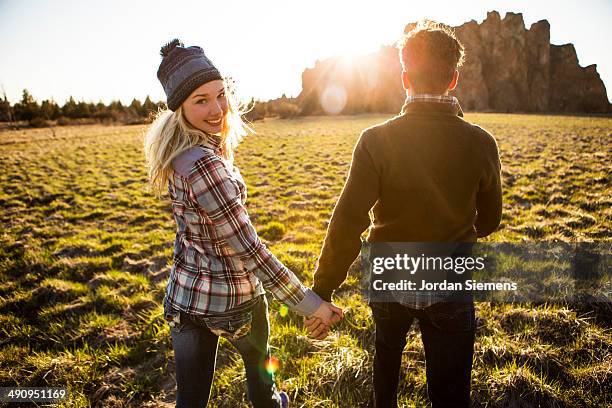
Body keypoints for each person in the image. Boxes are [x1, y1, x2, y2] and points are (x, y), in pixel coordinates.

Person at [305, 20, 503, 407]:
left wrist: (322, 290)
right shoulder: (481, 142)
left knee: (386, 357)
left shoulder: (375, 140)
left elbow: (348, 221)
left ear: (404, 77)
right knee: (451, 390)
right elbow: (490, 220)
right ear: (454, 79)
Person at [144, 39, 343, 408]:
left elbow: (187, 233)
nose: (217, 108)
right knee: (264, 389)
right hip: (236, 302)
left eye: (219, 95)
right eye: (200, 100)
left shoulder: (176, 153)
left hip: (185, 298)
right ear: (180, 107)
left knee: (190, 401)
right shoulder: (205, 164)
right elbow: (251, 250)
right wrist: (311, 305)